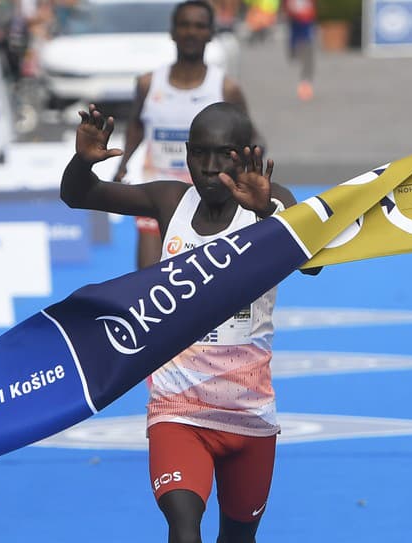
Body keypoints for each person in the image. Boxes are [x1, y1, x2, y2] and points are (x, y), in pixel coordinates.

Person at [62, 101, 315, 543]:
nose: (210, 167)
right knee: (183, 527)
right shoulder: (169, 201)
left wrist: (270, 214)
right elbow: (79, 195)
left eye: (224, 155)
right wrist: (82, 163)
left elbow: (314, 265)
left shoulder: (272, 202)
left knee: (238, 538)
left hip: (249, 414)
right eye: (199, 153)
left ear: (245, 153)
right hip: (177, 411)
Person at [111, 0, 258, 270]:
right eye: (185, 25)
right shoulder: (148, 83)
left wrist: (246, 176)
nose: (191, 32)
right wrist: (122, 165)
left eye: (200, 26)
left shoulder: (225, 88)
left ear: (211, 33)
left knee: (199, 283)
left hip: (206, 196)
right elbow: (136, 126)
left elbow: (251, 138)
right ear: (173, 32)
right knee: (148, 281)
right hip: (155, 191)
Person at [283, 0, 316, 101]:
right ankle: (304, 83)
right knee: (298, 54)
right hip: (297, 28)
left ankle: (305, 84)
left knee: (307, 56)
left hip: (305, 32)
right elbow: (288, 9)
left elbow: (311, 11)